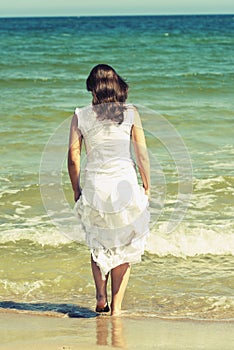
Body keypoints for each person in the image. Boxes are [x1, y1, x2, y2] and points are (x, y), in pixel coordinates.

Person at [68, 64, 150, 316]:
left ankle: (100, 296)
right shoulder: (131, 113)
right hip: (124, 187)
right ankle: (117, 309)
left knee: (98, 242)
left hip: (95, 187)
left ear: (94, 88)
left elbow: (73, 158)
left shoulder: (80, 115)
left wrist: (76, 189)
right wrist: (147, 185)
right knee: (124, 246)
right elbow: (142, 154)